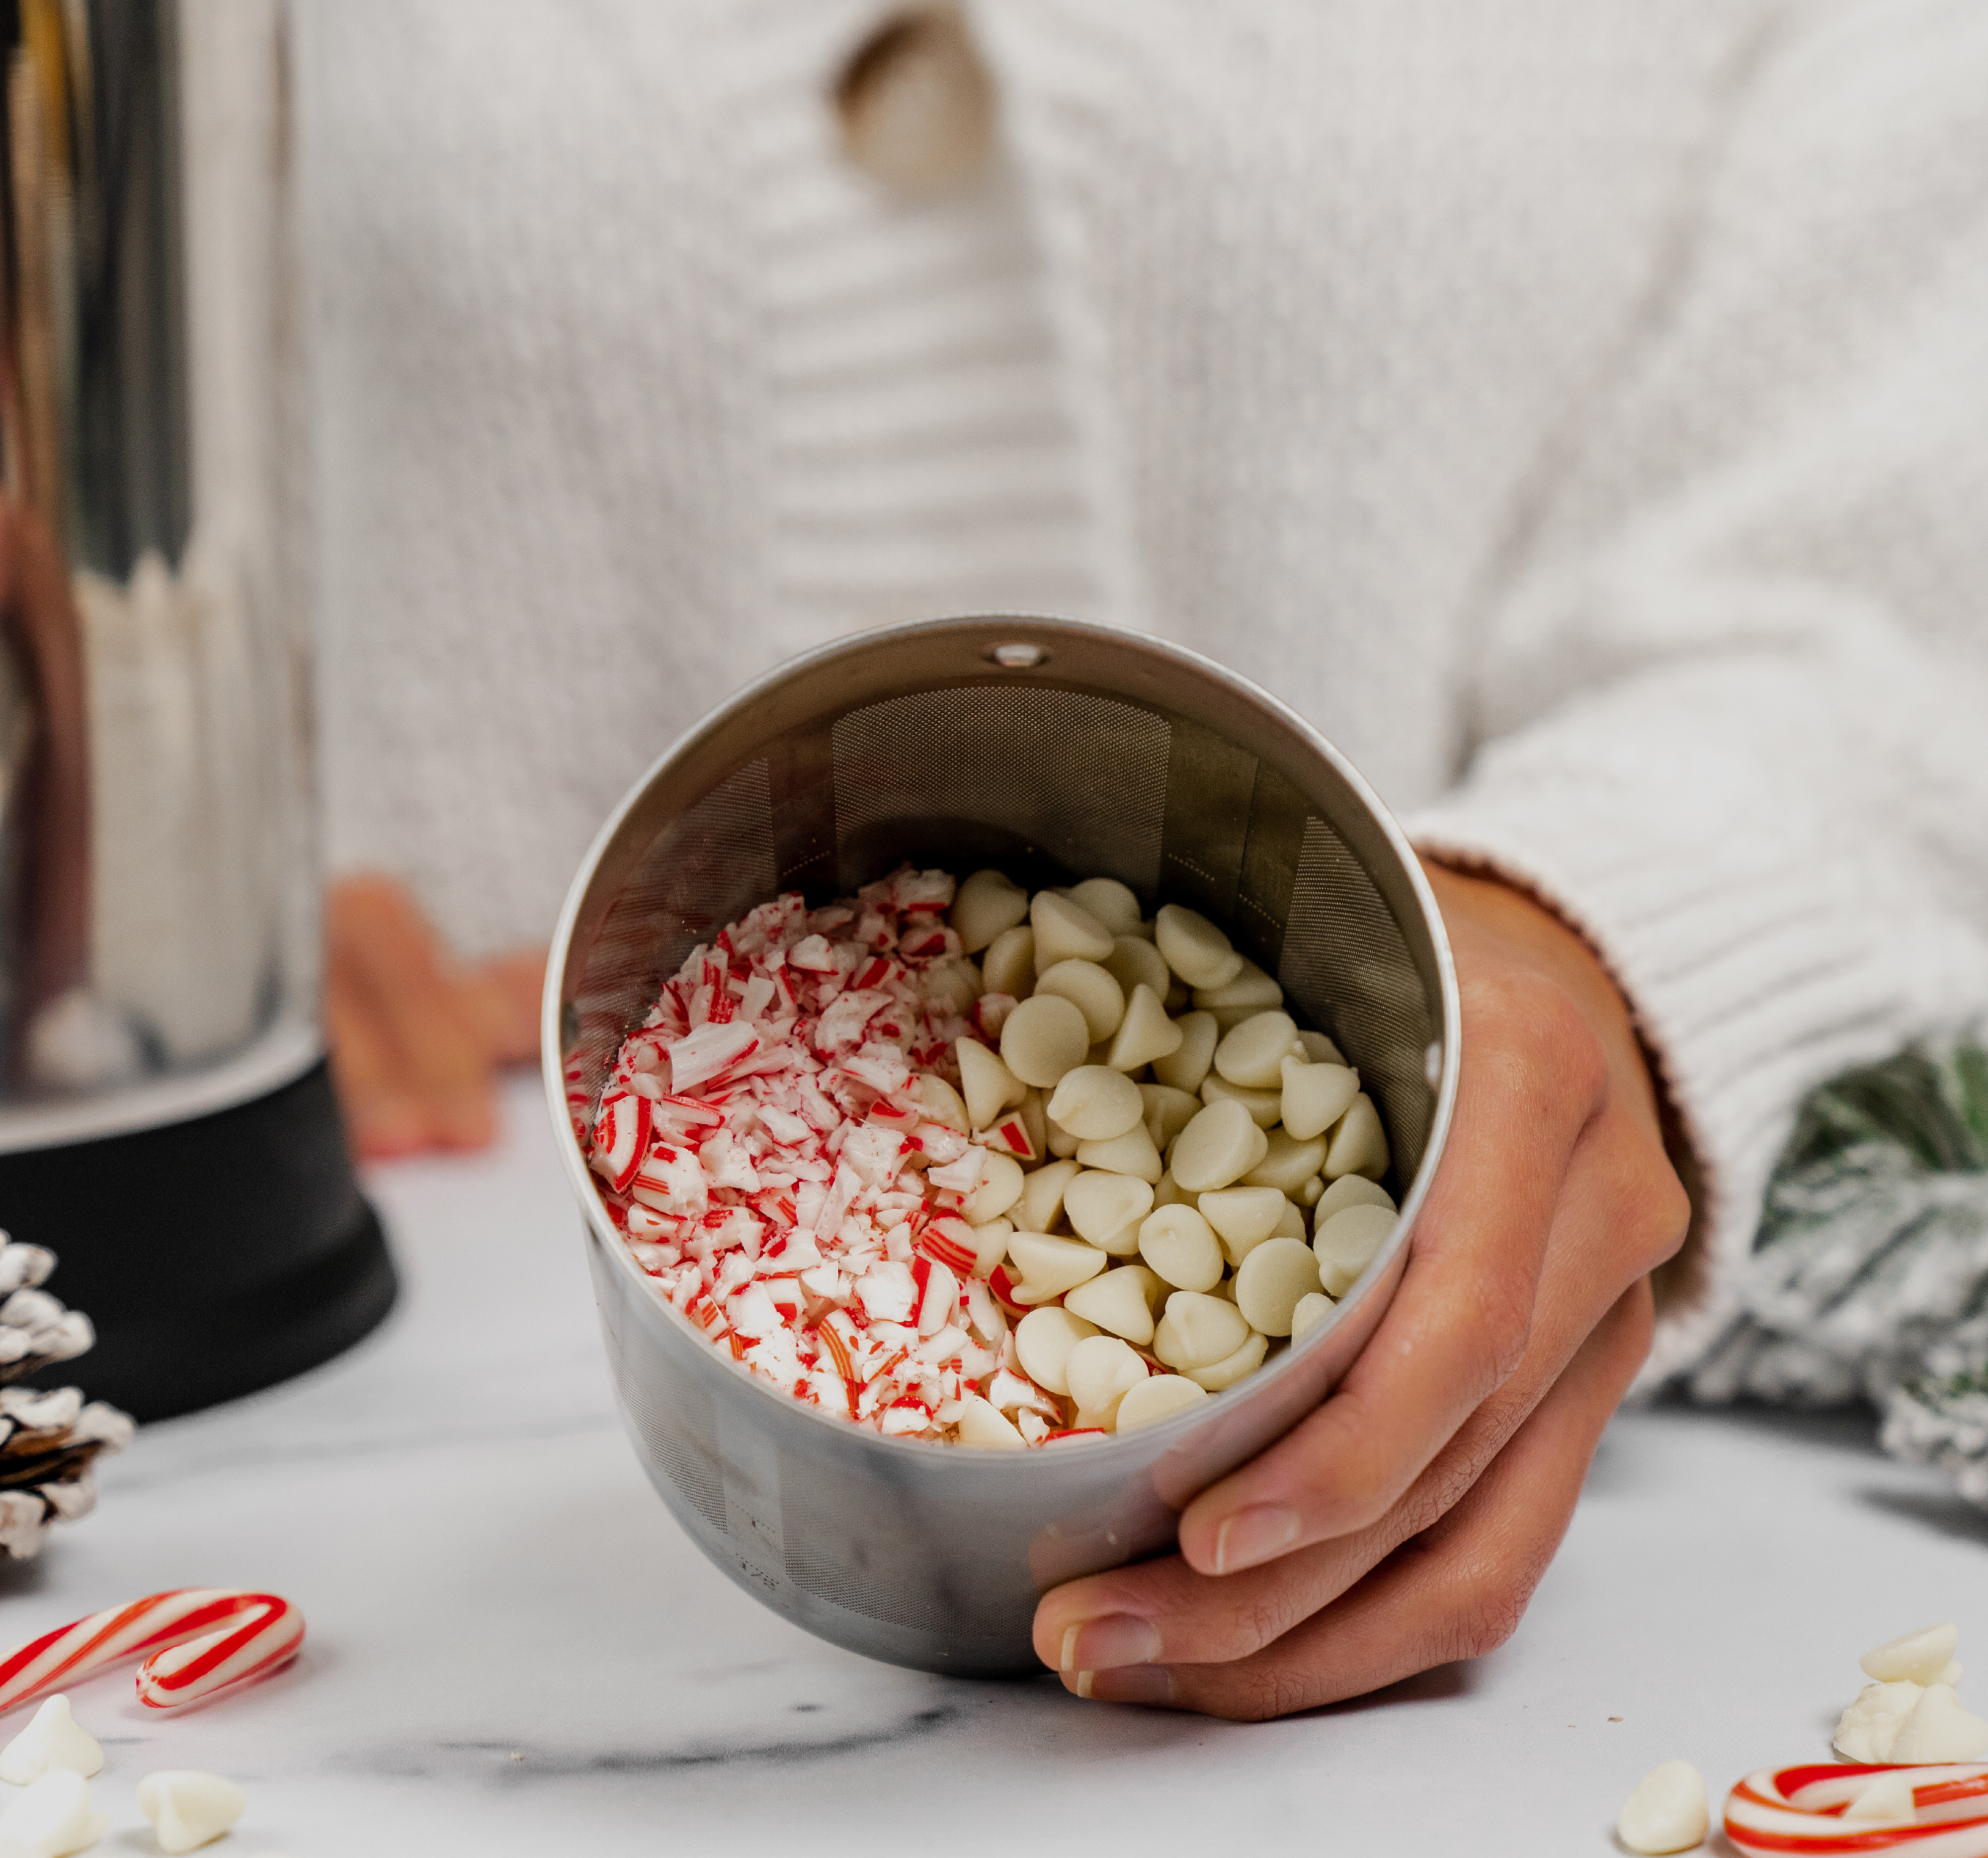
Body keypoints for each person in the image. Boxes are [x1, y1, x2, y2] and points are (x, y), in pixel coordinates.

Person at [298, 0, 1988, 1718]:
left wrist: (1581, 924)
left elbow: (1885, 590)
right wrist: (128, 892)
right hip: (366, 1337)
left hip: (1596, 1430)